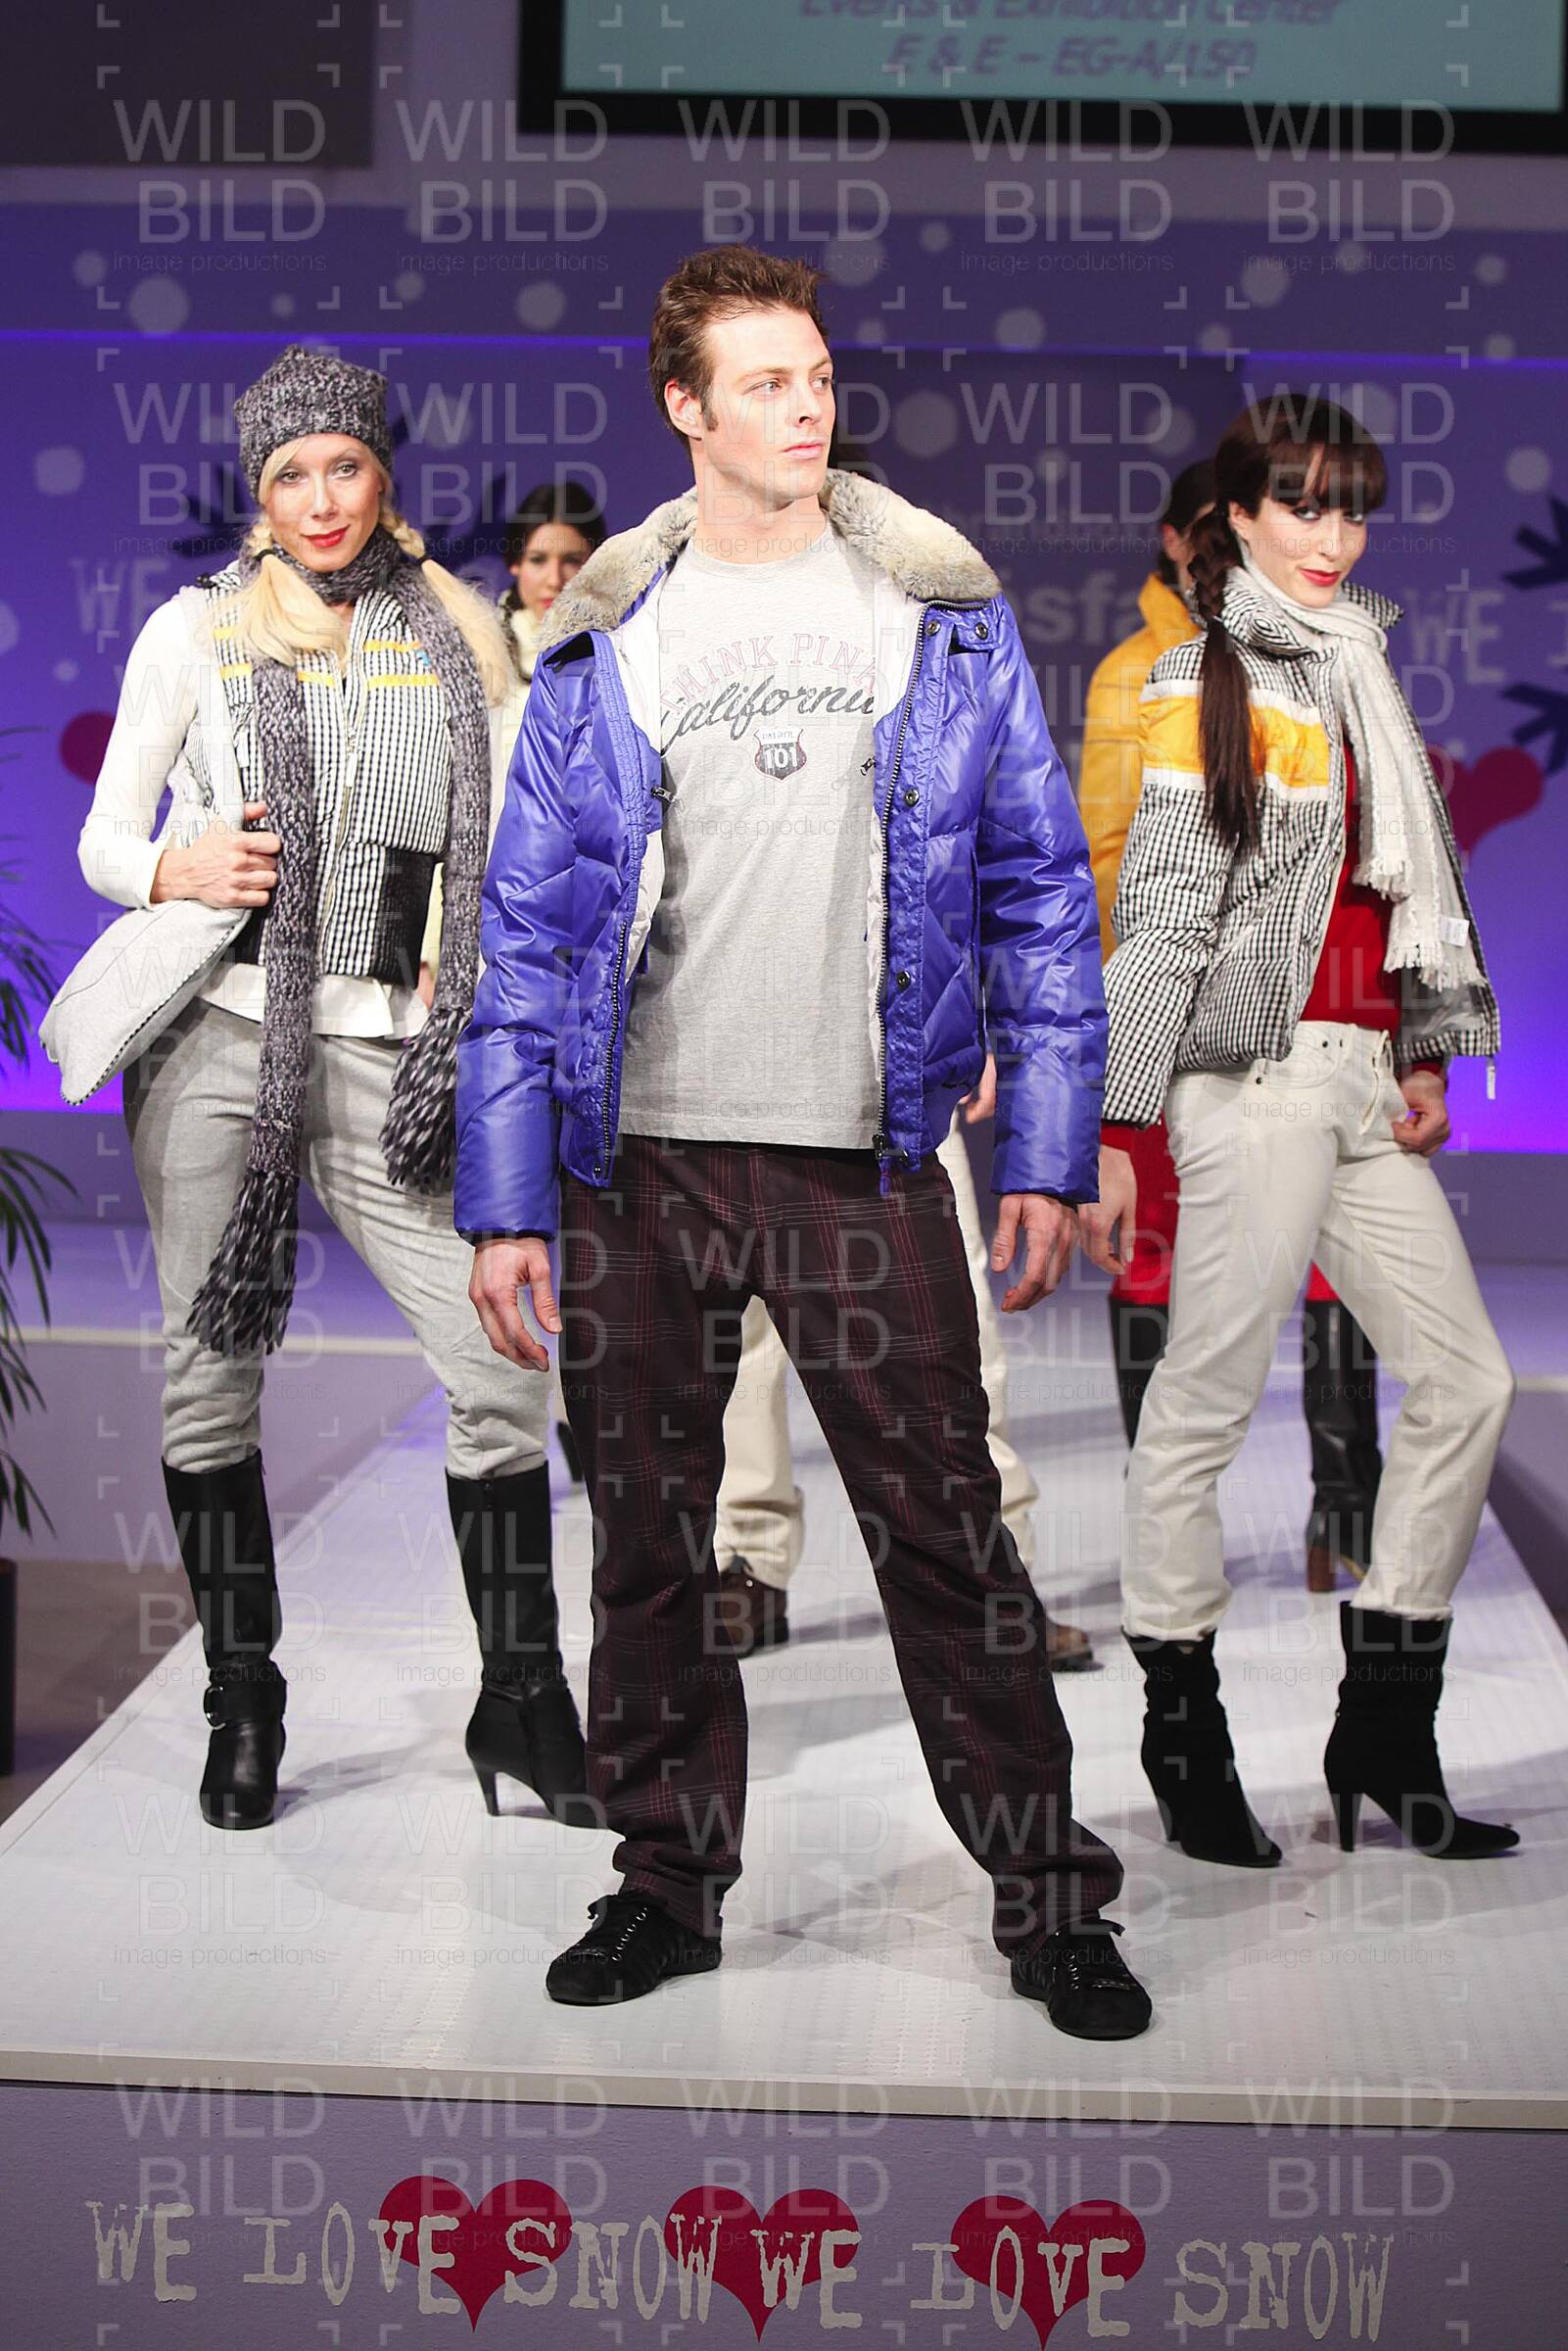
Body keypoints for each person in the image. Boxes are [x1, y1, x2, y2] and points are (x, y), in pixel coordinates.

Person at [457, 243, 1152, 2039]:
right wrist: (507, 1199)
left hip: (860, 1153)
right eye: (765, 381)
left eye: (819, 375)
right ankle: (663, 1884)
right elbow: (525, 936)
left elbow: (1035, 893)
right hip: (637, 1166)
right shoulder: (604, 637)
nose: (808, 404)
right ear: (683, 407)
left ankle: (1048, 1898)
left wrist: (1048, 1150)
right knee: (651, 1548)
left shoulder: (938, 613)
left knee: (949, 1537)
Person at [65, 346, 589, 1834]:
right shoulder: (198, 629)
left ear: (380, 472)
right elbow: (106, 841)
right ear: (261, 488)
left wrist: (469, 953)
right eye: (289, 474)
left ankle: (521, 1696)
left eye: (342, 466)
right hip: (218, 1037)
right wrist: (175, 867)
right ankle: (244, 1699)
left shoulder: (462, 636)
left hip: (390, 1054)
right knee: (209, 1373)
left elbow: (516, 840)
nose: (318, 498)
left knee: (500, 1367)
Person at [1083, 394, 1517, 1868]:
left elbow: (1391, 892)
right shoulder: (1200, 676)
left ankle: (1383, 1725)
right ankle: (1182, 1729)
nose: (1332, 536)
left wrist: (1419, 1046)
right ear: (1238, 518)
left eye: (1351, 508)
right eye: (1302, 505)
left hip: (1356, 1080)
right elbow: (1159, 915)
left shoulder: (1358, 667)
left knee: (1467, 1383)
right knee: (1202, 1406)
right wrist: (1114, 1124)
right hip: (1250, 1082)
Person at [1079, 461, 1385, 1592]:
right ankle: (1169, 1524)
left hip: (1314, 1011)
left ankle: (1343, 1511)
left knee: (1336, 1258)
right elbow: (1110, 858)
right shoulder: (1141, 672)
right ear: (1176, 539)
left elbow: (1369, 858)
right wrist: (1130, 1023)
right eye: (1212, 528)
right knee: (1153, 1256)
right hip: (1182, 1014)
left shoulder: (1332, 656)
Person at [710, 1062, 1093, 1668]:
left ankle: (997, 1571)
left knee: (954, 1329)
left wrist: (980, 1024)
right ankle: (748, 1559)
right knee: (739, 1332)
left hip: (898, 1064)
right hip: (731, 1072)